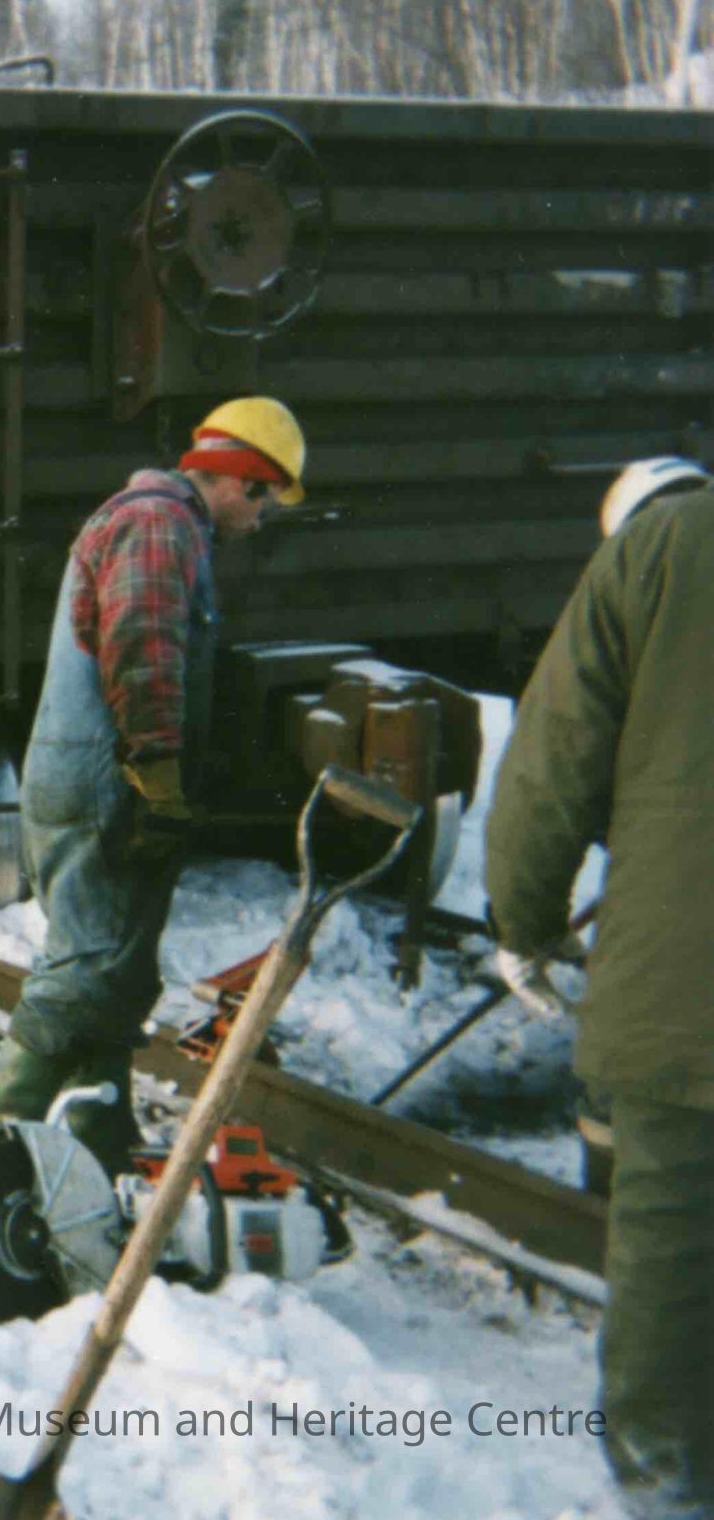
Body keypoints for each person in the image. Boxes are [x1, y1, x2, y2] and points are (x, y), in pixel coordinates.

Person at [0, 397, 306, 1174]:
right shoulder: (158, 525)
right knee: (87, 966)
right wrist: (160, 784)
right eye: (268, 502)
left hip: (104, 777)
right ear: (245, 481)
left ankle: (100, 1137)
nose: (262, 521)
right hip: (104, 782)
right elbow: (143, 656)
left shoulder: (169, 525)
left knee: (120, 972)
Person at [486, 454, 712, 1519]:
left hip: (686, 972)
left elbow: (553, 757)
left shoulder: (656, 551)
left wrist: (525, 923)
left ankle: (664, 1484)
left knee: (669, 1229)